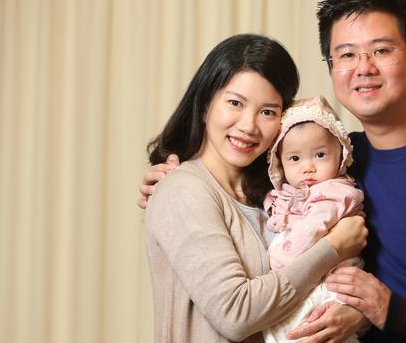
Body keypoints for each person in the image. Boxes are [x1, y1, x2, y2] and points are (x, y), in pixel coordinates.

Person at [140, 0, 406, 342]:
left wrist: (397, 313)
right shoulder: (332, 162)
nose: (364, 69)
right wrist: (172, 179)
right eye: (347, 55)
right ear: (331, 67)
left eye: (381, 50)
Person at [143, 33, 368, 343]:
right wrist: (333, 248)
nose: (249, 126)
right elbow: (235, 314)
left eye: (268, 112)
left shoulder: (278, 196)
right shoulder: (184, 190)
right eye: (235, 103)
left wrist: (355, 315)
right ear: (206, 103)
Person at [262, 96, 364, 343]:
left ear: (340, 154)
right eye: (295, 159)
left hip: (330, 284)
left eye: (319, 155)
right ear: (279, 162)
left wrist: (279, 262)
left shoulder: (335, 192)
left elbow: (312, 229)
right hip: (305, 279)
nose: (308, 167)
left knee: (311, 329)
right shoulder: (287, 193)